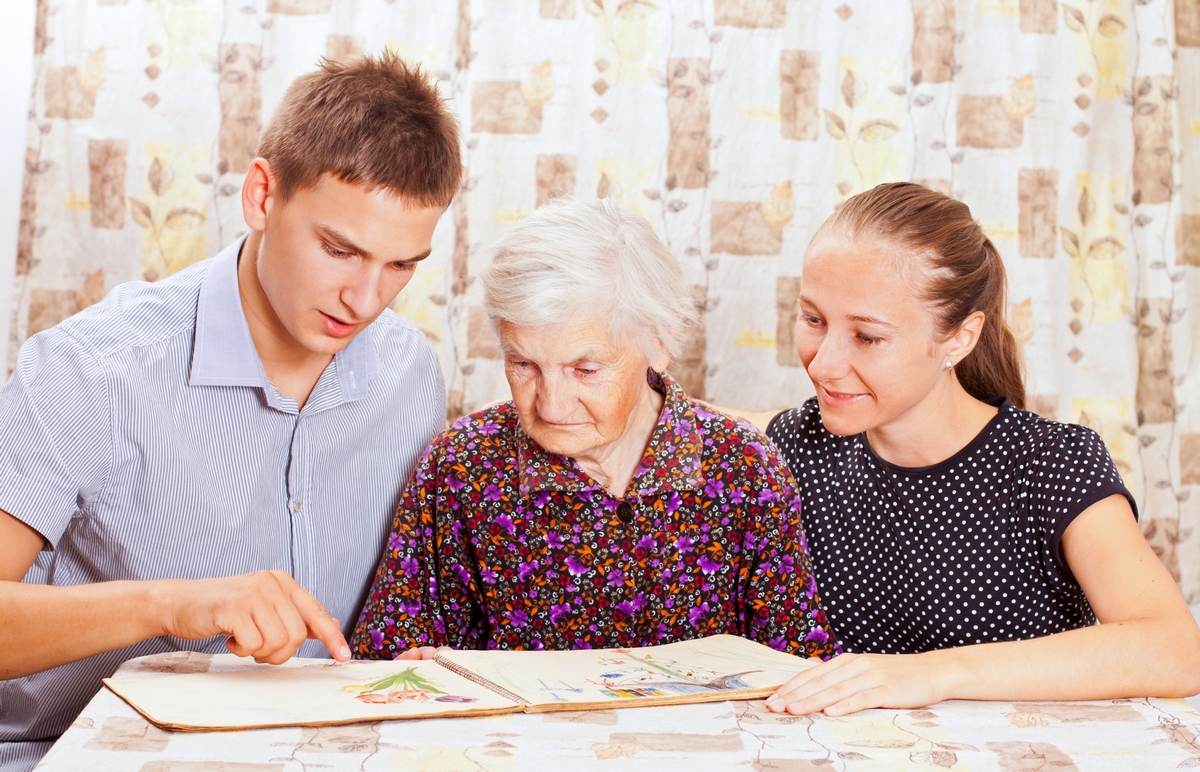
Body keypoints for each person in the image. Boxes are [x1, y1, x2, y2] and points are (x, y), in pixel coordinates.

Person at [0, 52, 460, 770]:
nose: (366, 300)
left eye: (402, 265)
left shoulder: (410, 373)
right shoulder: (90, 369)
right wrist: (167, 605)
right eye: (339, 249)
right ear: (260, 196)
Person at [734, 182, 1200, 716]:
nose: (822, 364)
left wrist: (936, 673)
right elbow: (679, 417)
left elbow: (1176, 650)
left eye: (867, 337)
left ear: (958, 338)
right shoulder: (801, 441)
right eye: (814, 320)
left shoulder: (1050, 463)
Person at [350, 199, 838, 659]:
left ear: (658, 343)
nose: (552, 405)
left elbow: (799, 669)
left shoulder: (745, 468)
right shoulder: (461, 465)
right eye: (524, 365)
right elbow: (389, 659)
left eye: (585, 370)